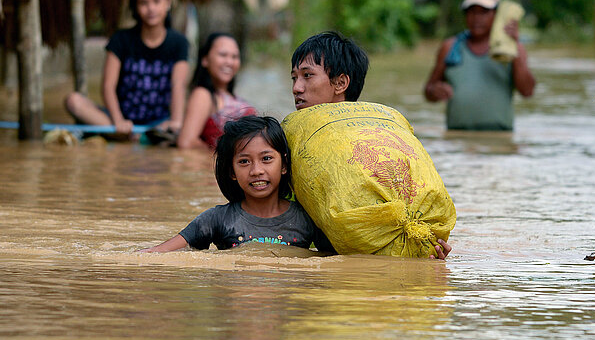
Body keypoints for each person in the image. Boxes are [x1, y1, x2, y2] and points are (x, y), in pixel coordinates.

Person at [290, 31, 451, 260]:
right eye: (294, 78)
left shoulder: (296, 134)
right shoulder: (299, 133)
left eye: (307, 76)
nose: (297, 88)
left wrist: (429, 244)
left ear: (341, 83)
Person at [140, 115, 334, 253]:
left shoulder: (308, 218)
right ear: (232, 172)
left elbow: (338, 260)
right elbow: (157, 253)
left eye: (266, 158)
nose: (256, 170)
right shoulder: (216, 219)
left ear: (284, 164)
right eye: (244, 161)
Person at [65, 0, 189, 137]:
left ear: (168, 2)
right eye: (144, 3)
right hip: (120, 120)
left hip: (159, 124)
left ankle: (141, 137)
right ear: (135, 7)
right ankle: (127, 136)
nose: (151, 8)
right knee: (73, 101)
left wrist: (175, 123)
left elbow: (178, 86)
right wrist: (118, 121)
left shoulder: (179, 42)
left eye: (156, 1)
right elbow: (108, 86)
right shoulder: (121, 39)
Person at [424, 0, 536, 131]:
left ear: (496, 15)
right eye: (471, 11)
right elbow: (428, 91)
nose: (476, 18)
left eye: (484, 12)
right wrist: (435, 91)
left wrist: (515, 48)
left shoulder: (513, 49)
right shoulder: (450, 47)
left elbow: (527, 92)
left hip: (500, 140)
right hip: (457, 140)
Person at [175, 33, 256, 149]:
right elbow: (186, 142)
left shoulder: (231, 96)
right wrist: (221, 161)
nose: (229, 62)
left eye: (234, 57)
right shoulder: (202, 94)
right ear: (205, 59)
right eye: (223, 55)